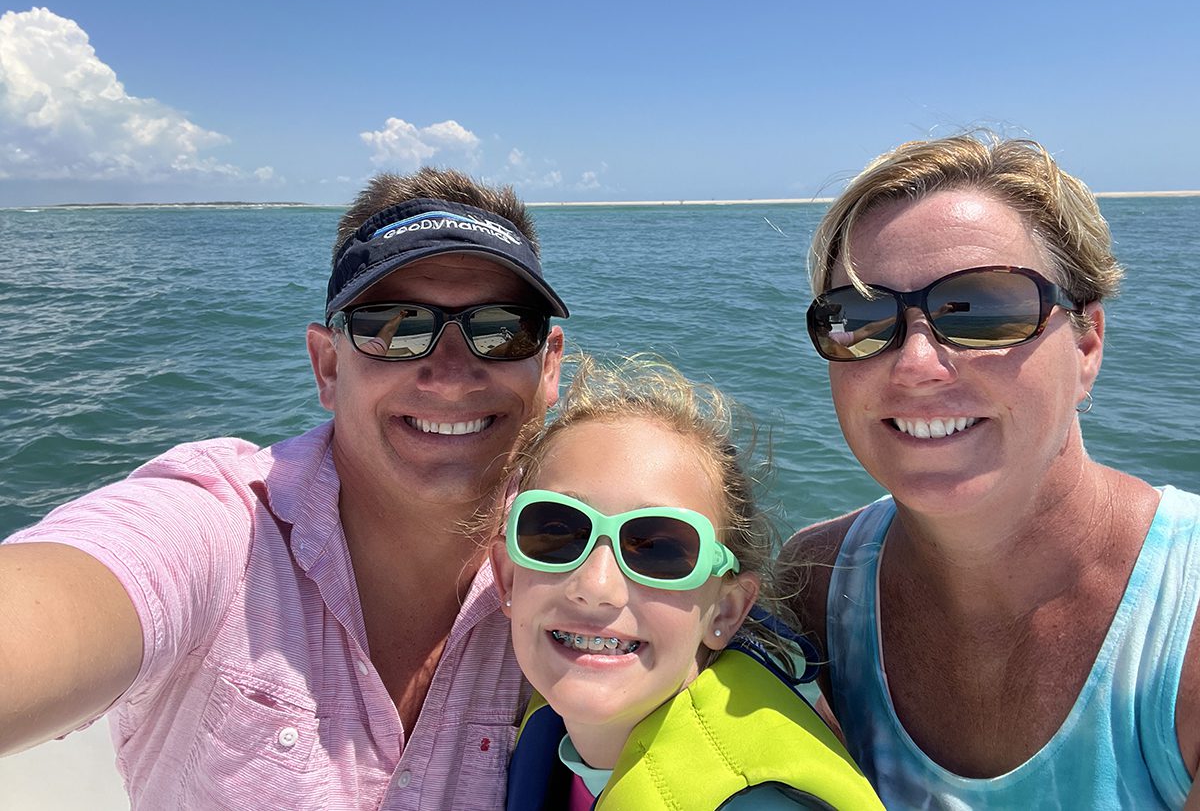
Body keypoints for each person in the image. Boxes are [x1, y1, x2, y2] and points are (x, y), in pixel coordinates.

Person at [0, 167, 568, 809]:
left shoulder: (595, 563)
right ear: (329, 366)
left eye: (500, 328)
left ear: (547, 366)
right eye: (398, 327)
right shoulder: (219, 530)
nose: (452, 373)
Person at [781, 134, 1200, 809]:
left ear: (1087, 341)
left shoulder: (1185, 626)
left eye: (982, 310)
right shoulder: (817, 587)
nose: (916, 362)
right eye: (859, 317)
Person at [489, 355, 885, 809]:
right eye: (557, 531)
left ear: (726, 610)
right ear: (506, 579)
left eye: (659, 549)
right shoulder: (558, 741)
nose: (596, 585)